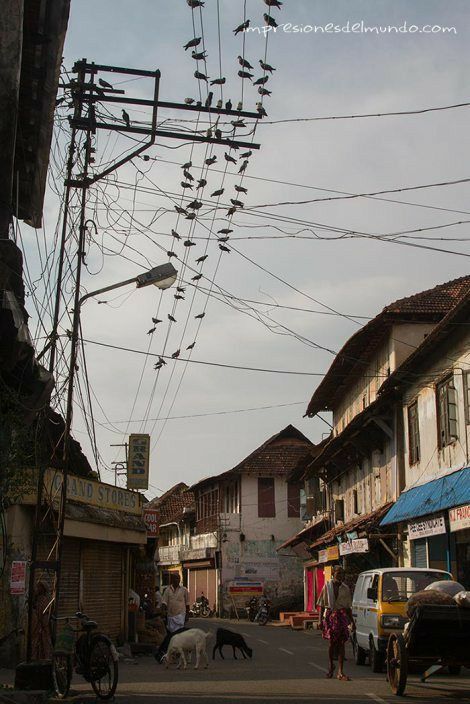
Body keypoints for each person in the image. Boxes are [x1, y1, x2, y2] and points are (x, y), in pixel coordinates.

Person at [317, 565, 355, 681]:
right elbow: (322, 605)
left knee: (342, 644)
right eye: (338, 573)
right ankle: (331, 665)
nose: (340, 576)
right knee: (332, 644)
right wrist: (320, 621)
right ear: (333, 574)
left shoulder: (346, 588)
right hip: (330, 617)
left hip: (342, 617)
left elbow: (348, 608)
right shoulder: (327, 586)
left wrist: (352, 622)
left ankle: (340, 671)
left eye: (342, 574)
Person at [155, 573, 190, 662]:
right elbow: (164, 602)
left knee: (179, 636)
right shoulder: (167, 590)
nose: (177, 580)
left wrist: (187, 615)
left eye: (178, 578)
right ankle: (172, 653)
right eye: (175, 578)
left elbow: (187, 604)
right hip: (171, 617)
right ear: (172, 580)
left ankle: (178, 654)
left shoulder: (184, 590)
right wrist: (163, 612)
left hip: (181, 616)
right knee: (172, 636)